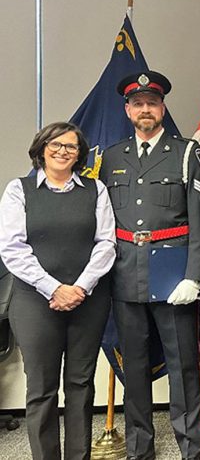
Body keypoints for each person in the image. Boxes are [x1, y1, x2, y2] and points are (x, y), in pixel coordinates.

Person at [100, 71, 200, 460]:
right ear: (128, 110)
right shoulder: (111, 157)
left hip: (174, 273)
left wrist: (195, 276)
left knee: (183, 367)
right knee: (133, 369)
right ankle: (139, 449)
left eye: (153, 103)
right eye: (138, 104)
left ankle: (190, 449)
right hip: (125, 273)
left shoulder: (187, 152)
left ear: (162, 108)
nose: (146, 110)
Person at [0, 122, 116, 459]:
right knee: (41, 389)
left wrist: (79, 287)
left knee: (80, 385)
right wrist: (54, 288)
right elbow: (12, 248)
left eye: (71, 146)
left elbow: (106, 243)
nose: (63, 151)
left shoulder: (95, 190)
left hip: (88, 300)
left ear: (80, 154)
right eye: (56, 144)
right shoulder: (18, 190)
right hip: (35, 303)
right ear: (42, 147)